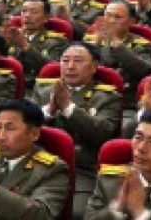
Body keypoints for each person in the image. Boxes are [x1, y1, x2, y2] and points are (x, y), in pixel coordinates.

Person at [35, 42, 122, 220]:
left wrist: (68, 108)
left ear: (94, 67)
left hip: (81, 170)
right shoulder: (44, 90)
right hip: (37, 165)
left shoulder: (107, 97)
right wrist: (48, 112)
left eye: (78, 61)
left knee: (77, 213)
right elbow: (23, 127)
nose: (70, 66)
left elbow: (103, 133)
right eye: (65, 60)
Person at [83, 1, 151, 104]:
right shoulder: (92, 40)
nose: (111, 21)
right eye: (108, 15)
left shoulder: (142, 44)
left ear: (131, 21)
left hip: (126, 101)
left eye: (117, 17)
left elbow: (143, 70)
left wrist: (114, 40)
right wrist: (96, 45)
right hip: (92, 99)